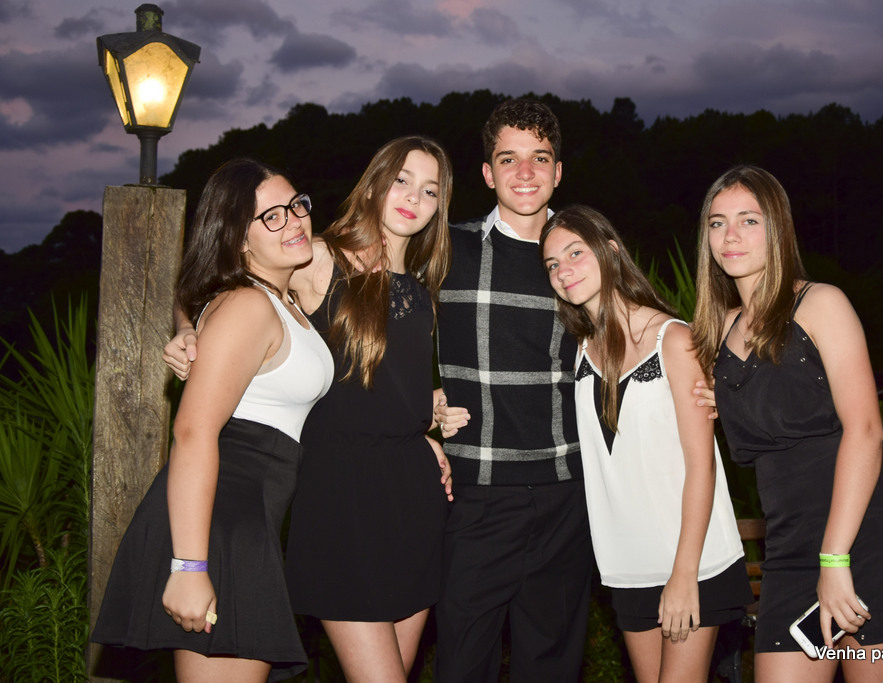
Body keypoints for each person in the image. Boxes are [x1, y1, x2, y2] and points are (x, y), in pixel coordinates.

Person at [162, 136, 456, 682]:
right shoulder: (319, 257)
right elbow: (207, 279)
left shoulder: (422, 288)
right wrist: (186, 328)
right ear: (375, 183)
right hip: (342, 499)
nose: (414, 198)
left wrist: (426, 429)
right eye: (402, 181)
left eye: (430, 190)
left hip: (415, 500)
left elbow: (388, 392)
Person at [689, 165, 883, 682]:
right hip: (788, 546)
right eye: (717, 222)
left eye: (749, 220)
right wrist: (729, 403)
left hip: (864, 536)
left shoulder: (820, 303)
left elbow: (866, 431)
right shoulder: (719, 330)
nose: (730, 235)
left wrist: (835, 560)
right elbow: (773, 406)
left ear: (779, 228)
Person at [92, 158, 334, 682]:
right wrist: (189, 566)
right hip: (216, 522)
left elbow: (190, 289)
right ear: (239, 238)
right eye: (271, 216)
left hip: (247, 520)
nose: (294, 221)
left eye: (296, 205)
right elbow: (192, 431)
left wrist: (186, 324)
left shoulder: (280, 299)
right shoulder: (249, 305)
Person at [538, 205, 753, 682]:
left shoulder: (673, 340)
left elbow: (702, 465)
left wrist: (684, 575)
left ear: (611, 251)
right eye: (552, 264)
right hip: (626, 565)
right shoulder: (578, 350)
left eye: (575, 253)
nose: (563, 270)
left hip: (691, 560)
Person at [430, 98, 592, 682]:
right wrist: (421, 398)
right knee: (462, 665)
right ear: (487, 173)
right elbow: (370, 314)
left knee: (550, 668)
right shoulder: (445, 248)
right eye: (508, 159)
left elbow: (640, 333)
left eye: (539, 158)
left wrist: (700, 380)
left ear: (558, 171)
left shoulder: (585, 259)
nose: (525, 172)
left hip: (568, 496)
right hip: (475, 495)